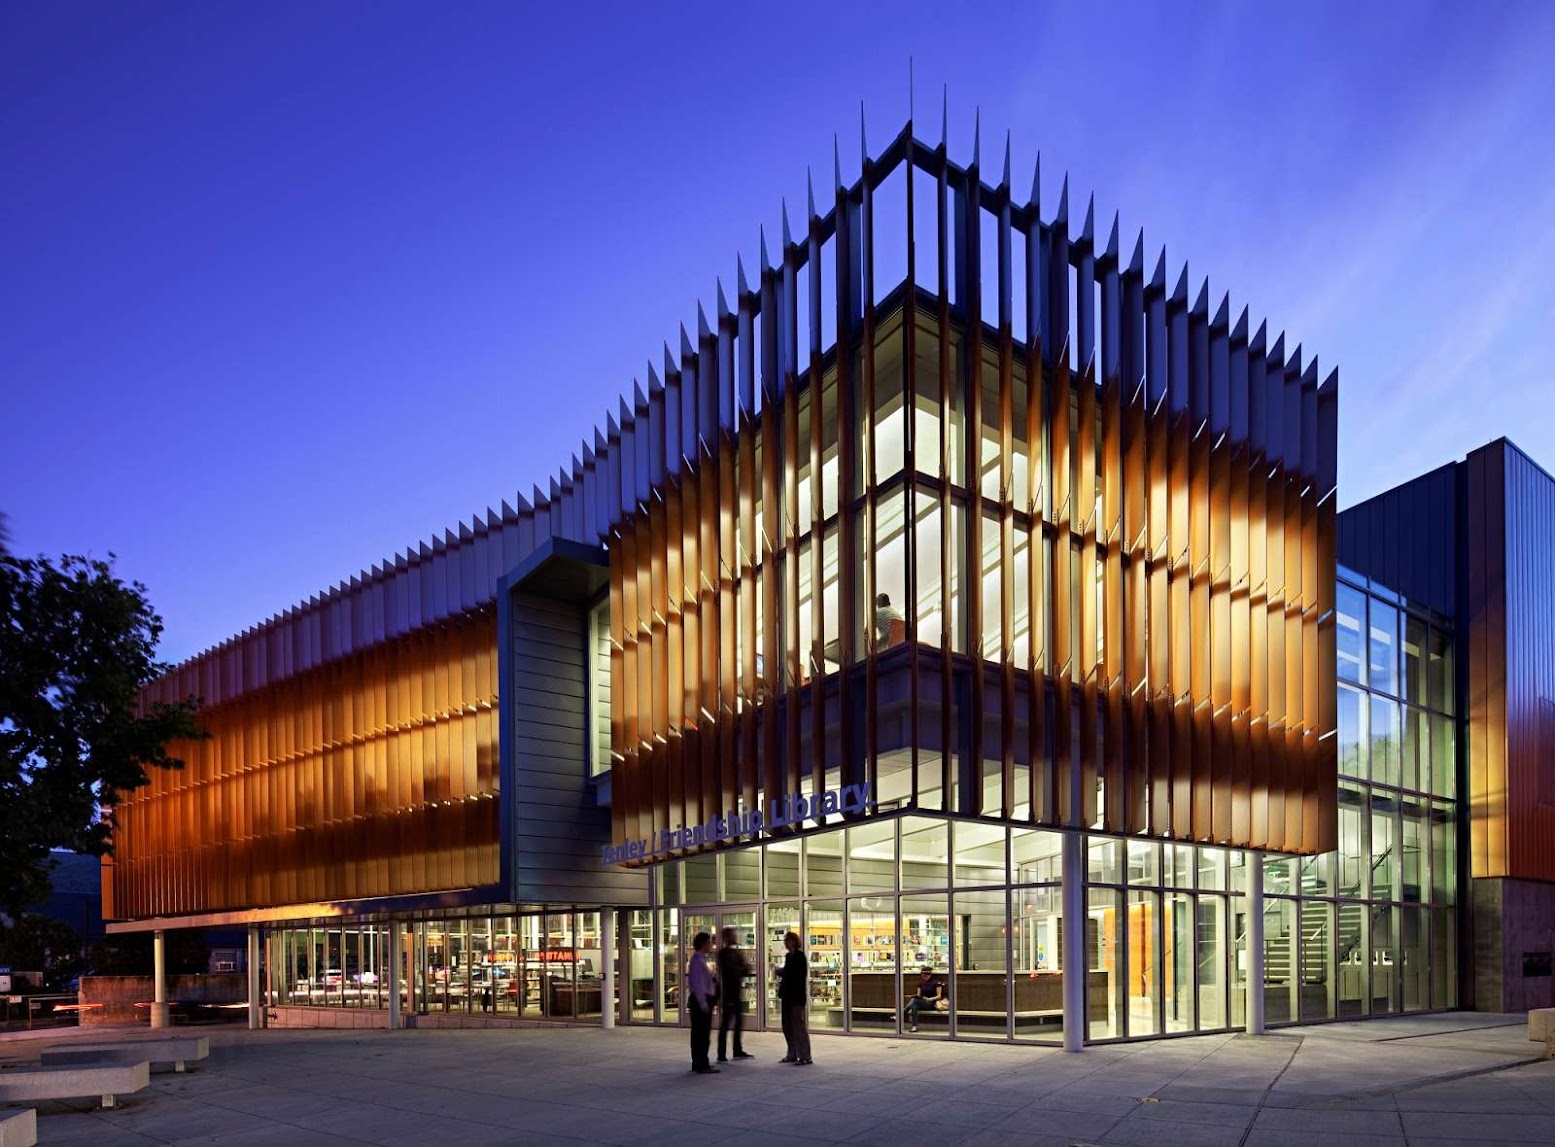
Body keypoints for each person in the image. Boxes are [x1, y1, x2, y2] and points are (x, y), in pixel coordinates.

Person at [716, 926, 754, 1062]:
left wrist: (742, 969)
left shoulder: (736, 953)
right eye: (732, 935)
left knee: (738, 1021)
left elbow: (746, 969)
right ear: (727, 937)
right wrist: (742, 969)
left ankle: (737, 1050)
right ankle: (722, 1053)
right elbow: (733, 971)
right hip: (728, 993)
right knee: (726, 1023)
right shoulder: (724, 954)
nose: (735, 937)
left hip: (736, 991)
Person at [775, 930, 812, 1065]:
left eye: (788, 940)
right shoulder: (788, 957)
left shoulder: (799, 957)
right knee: (787, 1026)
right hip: (787, 996)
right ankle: (792, 1053)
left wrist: (782, 972)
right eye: (785, 940)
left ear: (794, 942)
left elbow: (797, 975)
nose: (786, 943)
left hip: (796, 997)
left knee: (798, 1026)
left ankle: (805, 1055)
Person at [686, 932, 719, 1074]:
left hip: (702, 999)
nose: (711, 945)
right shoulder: (697, 960)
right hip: (701, 1001)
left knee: (700, 1033)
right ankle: (701, 1063)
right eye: (709, 942)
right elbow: (697, 984)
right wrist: (704, 1003)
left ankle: (700, 1062)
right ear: (703, 944)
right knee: (701, 1034)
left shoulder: (700, 959)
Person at [902, 965, 946, 1033]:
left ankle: (901, 1015)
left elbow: (939, 996)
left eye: (927, 974)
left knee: (914, 1001)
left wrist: (930, 999)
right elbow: (918, 995)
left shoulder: (936, 982)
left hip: (931, 1003)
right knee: (914, 1005)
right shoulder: (921, 983)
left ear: (930, 974)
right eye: (923, 975)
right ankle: (914, 1026)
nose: (925, 976)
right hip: (921, 1002)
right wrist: (913, 996)